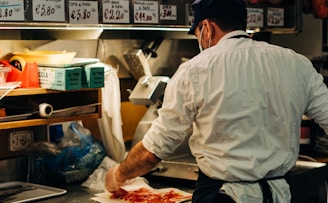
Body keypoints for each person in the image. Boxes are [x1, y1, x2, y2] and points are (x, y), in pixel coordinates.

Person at [105, 0, 328, 202]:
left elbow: (152, 152)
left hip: (221, 196)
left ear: (207, 28)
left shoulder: (194, 70)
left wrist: (118, 174)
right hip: (279, 194)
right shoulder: (295, 63)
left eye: (197, 34)